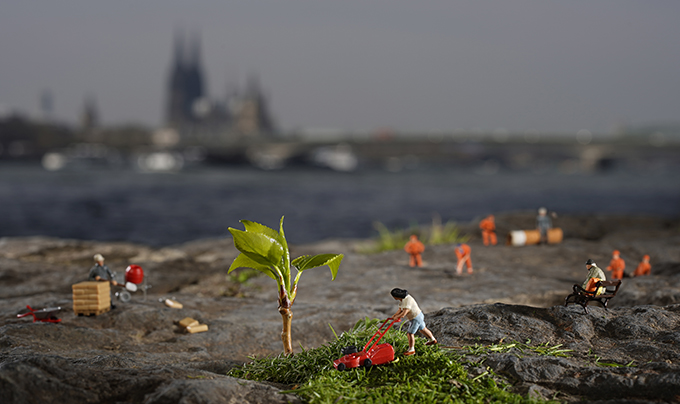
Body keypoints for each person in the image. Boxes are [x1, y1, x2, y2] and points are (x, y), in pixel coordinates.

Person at [389, 288, 437, 356]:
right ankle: (432, 339)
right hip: (419, 315)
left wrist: (397, 317)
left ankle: (411, 350)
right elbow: (400, 309)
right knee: (422, 329)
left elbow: (404, 313)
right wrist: (394, 315)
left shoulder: (407, 300)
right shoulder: (402, 300)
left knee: (410, 333)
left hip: (415, 318)